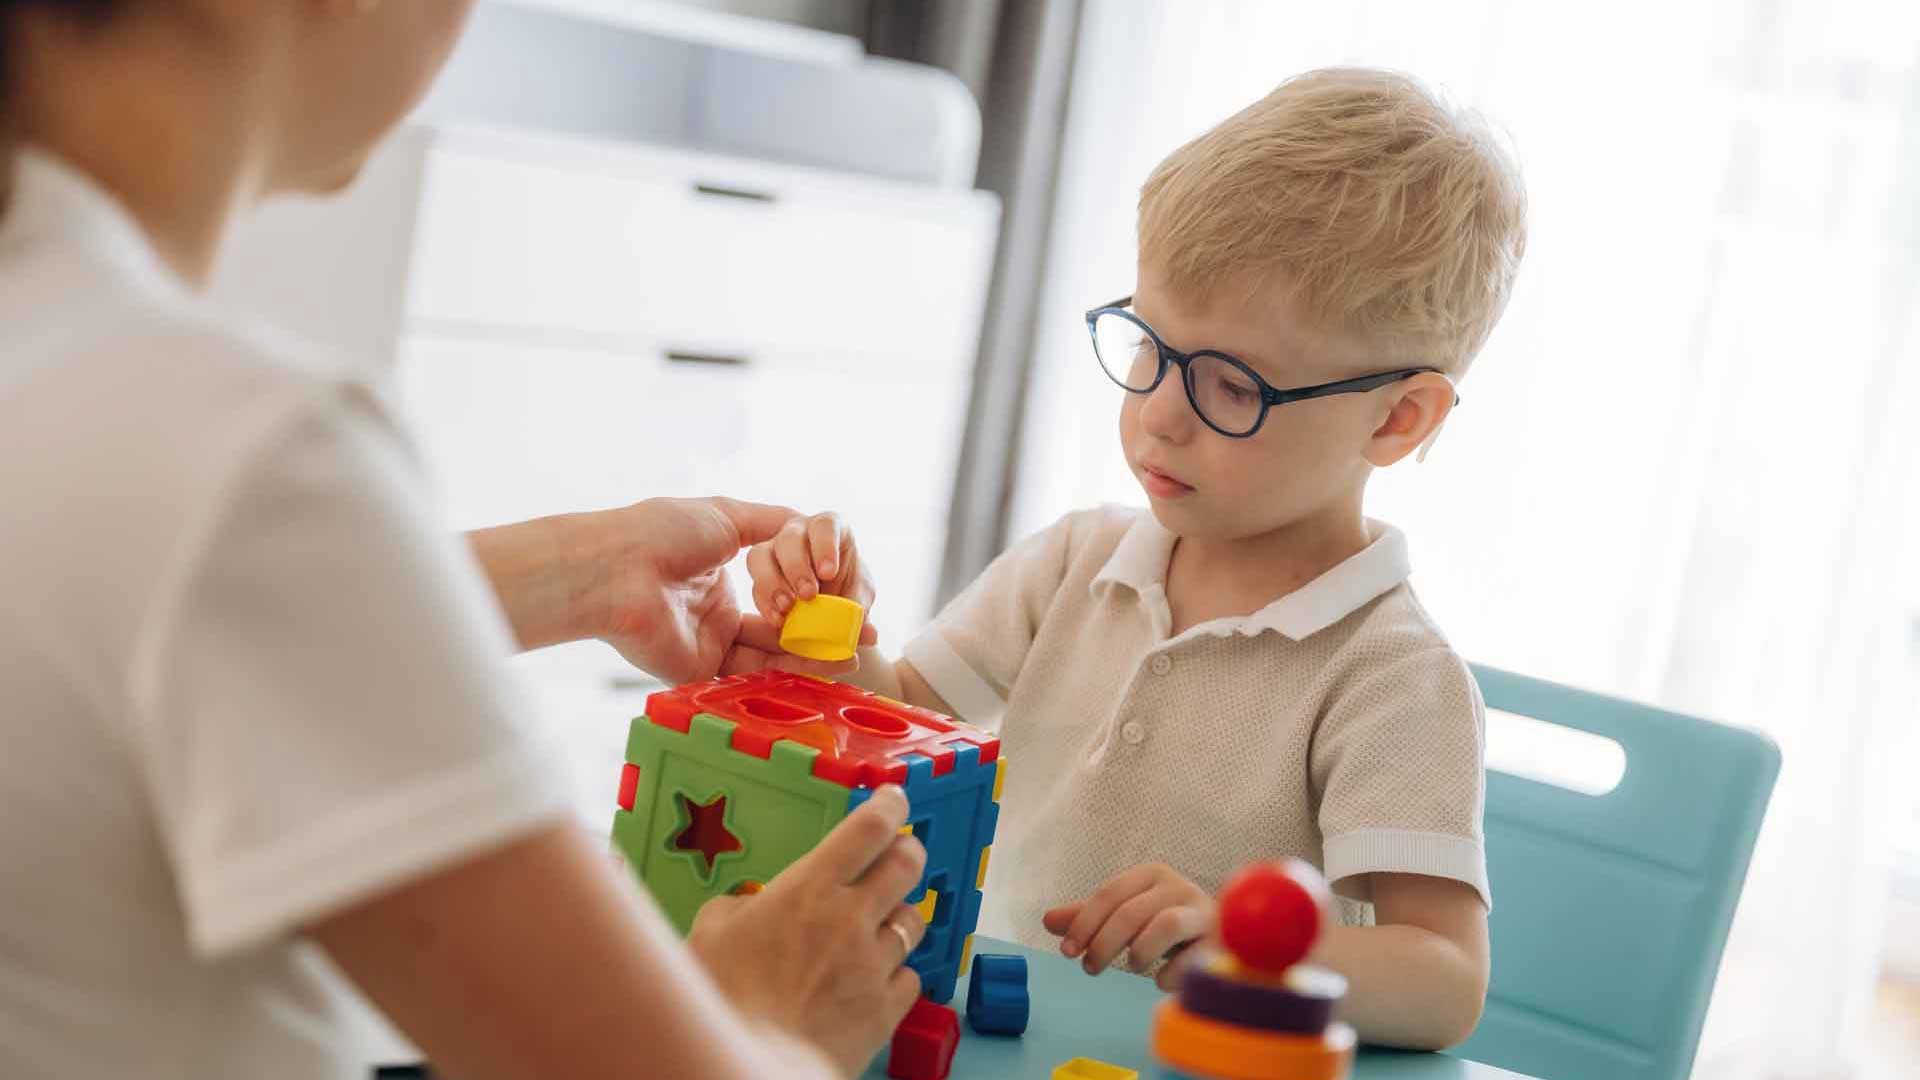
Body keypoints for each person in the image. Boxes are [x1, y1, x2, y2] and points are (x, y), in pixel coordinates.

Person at [0, 2, 924, 1077]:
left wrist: (583, 575)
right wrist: (769, 1016)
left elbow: (134, 619)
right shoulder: (246, 454)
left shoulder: (80, 374)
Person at [750, 68, 1526, 1050]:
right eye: (1149, 346)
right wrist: (834, 643)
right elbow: (901, 718)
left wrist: (1248, 946)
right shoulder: (1079, 558)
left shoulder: (1394, 679)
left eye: (1230, 386)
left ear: (1398, 417)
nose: (1157, 413)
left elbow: (1445, 983)